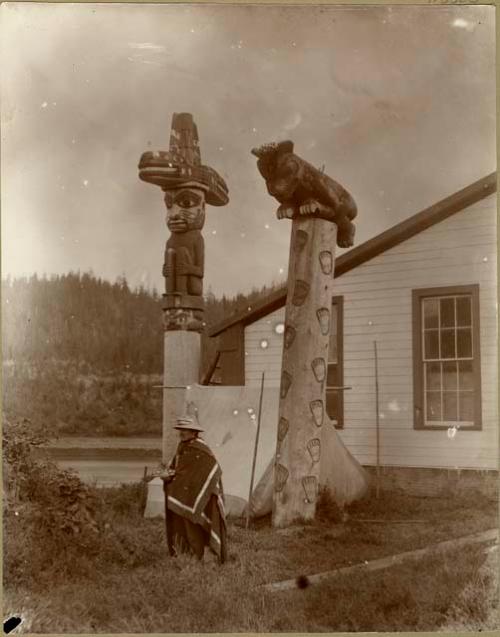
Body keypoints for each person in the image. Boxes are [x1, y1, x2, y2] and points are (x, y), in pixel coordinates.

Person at [161, 415, 227, 564]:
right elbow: (176, 469)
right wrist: (166, 474)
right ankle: (183, 555)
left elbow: (210, 472)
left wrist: (177, 477)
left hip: (198, 495)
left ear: (193, 432)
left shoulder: (201, 449)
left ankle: (197, 556)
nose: (181, 432)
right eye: (180, 429)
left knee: (193, 526)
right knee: (181, 525)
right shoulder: (182, 446)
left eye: (185, 429)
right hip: (183, 494)